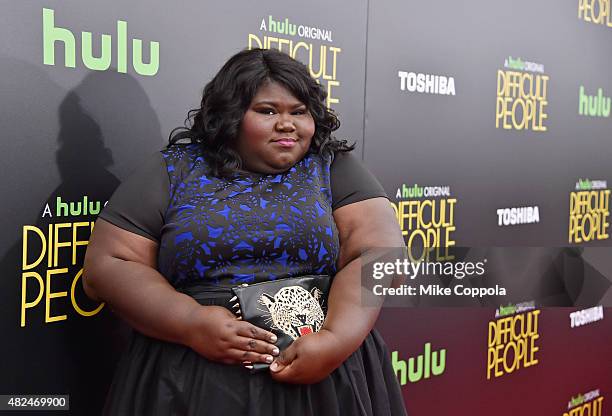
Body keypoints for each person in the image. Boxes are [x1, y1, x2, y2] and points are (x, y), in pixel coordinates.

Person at [83, 48, 407, 415]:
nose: (287, 124)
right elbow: (108, 266)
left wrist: (336, 339)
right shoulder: (174, 169)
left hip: (323, 375)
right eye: (268, 111)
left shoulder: (333, 166)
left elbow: (381, 256)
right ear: (231, 115)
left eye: (298, 112)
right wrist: (189, 322)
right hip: (193, 379)